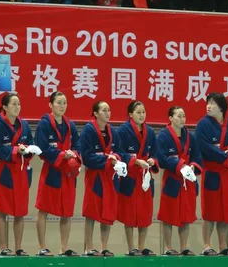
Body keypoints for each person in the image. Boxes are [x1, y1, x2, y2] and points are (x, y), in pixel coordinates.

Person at [195, 92, 228, 256]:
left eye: (213, 103)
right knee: (210, 211)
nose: (209, 106)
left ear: (222, 107)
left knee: (224, 212)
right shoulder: (203, 124)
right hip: (213, 173)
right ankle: (206, 245)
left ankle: (223, 245)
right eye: (208, 103)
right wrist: (225, 156)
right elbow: (203, 146)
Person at [34, 92, 81, 257]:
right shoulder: (44, 124)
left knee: (67, 212)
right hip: (51, 172)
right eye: (59, 103)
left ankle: (63, 248)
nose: (62, 106)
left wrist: (74, 155)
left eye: (65, 103)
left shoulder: (70, 126)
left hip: (67, 174)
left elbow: (78, 145)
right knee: (43, 209)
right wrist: (62, 155)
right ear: (51, 105)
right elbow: (41, 149)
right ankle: (42, 247)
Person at [80, 100, 127, 257]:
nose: (108, 113)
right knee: (91, 212)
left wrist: (116, 159)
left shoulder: (113, 131)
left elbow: (120, 152)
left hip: (110, 176)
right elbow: (86, 156)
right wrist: (107, 160)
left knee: (107, 212)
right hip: (95, 176)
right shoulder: (88, 130)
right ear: (95, 113)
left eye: (109, 110)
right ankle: (89, 247)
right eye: (104, 110)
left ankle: (104, 247)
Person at [0, 93, 34, 257]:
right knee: (2, 209)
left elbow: (31, 144)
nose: (17, 107)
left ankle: (18, 247)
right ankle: (2, 247)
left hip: (22, 172)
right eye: (14, 104)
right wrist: (15, 150)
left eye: (19, 104)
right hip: (6, 171)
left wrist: (28, 151)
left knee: (20, 211)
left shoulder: (25, 125)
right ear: (5, 107)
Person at [156, 106, 203, 256]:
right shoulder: (163, 136)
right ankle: (168, 247)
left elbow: (197, 158)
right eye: (179, 116)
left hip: (187, 181)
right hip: (172, 179)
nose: (182, 119)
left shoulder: (191, 137)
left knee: (186, 216)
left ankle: (184, 247)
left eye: (184, 116)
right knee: (168, 216)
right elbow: (162, 158)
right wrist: (180, 165)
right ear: (170, 118)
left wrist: (191, 167)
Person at [116, 101, 158, 256]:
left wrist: (153, 161)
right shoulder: (122, 131)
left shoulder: (151, 132)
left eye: (144, 112)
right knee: (128, 213)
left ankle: (141, 246)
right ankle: (131, 247)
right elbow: (119, 152)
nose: (142, 115)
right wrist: (134, 161)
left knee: (145, 213)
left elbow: (155, 153)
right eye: (139, 112)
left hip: (145, 177)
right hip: (131, 175)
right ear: (130, 115)